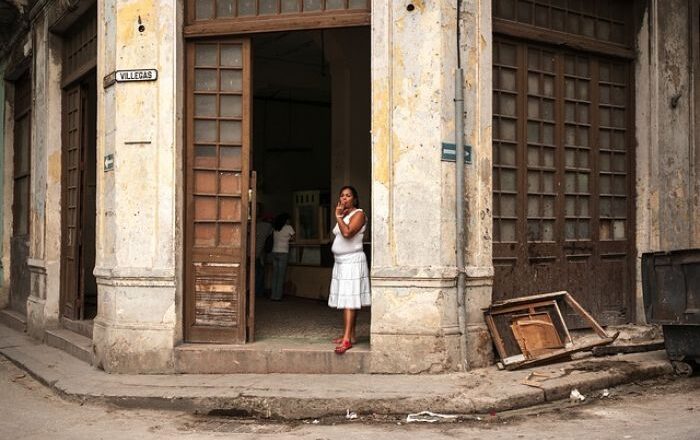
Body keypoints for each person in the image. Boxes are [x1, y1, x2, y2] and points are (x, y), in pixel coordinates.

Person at [328, 186, 370, 354]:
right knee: (347, 298)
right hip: (341, 262)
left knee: (349, 300)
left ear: (354, 199)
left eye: (348, 195)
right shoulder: (344, 215)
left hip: (352, 261)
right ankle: (350, 335)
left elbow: (347, 233)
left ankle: (347, 340)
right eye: (342, 196)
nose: (344, 198)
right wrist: (340, 216)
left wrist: (338, 216)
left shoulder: (359, 214)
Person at [270, 213, 295, 301]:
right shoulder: (288, 227)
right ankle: (278, 296)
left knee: (275, 275)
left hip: (274, 251)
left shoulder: (275, 228)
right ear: (286, 220)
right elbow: (294, 237)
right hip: (283, 252)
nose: (290, 221)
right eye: (289, 219)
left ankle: (273, 295)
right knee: (281, 275)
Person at [254, 211, 274, 297]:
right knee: (260, 273)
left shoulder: (256, 225)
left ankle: (254, 291)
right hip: (260, 253)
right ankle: (258, 292)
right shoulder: (269, 227)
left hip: (252, 252)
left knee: (255, 272)